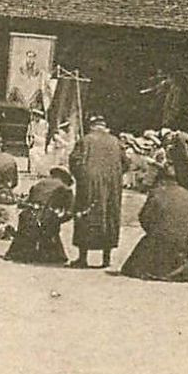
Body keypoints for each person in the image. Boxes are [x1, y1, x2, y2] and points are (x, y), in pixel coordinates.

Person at [119, 165, 188, 281]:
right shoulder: (187, 194)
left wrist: (153, 230)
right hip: (182, 243)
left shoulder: (156, 193)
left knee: (134, 264)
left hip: (159, 239)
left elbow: (144, 217)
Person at [69, 114, 124, 268]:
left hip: (89, 185)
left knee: (86, 216)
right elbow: (126, 163)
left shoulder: (85, 140)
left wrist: (81, 177)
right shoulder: (116, 142)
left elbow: (74, 161)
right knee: (109, 216)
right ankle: (106, 259)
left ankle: (83, 258)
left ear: (92, 126)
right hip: (112, 186)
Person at [6, 167, 75, 264]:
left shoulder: (39, 184)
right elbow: (69, 213)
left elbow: (25, 203)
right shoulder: (65, 189)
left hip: (27, 218)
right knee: (53, 248)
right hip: (46, 221)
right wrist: (58, 220)